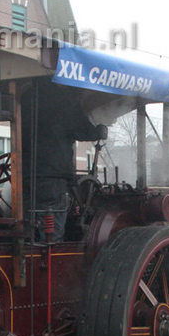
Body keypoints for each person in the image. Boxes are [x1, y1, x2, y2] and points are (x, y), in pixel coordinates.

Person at [21, 78, 107, 241]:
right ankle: (50, 260)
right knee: (51, 233)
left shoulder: (25, 97)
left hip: (23, 176)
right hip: (52, 176)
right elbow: (84, 130)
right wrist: (99, 132)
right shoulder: (63, 99)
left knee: (29, 227)